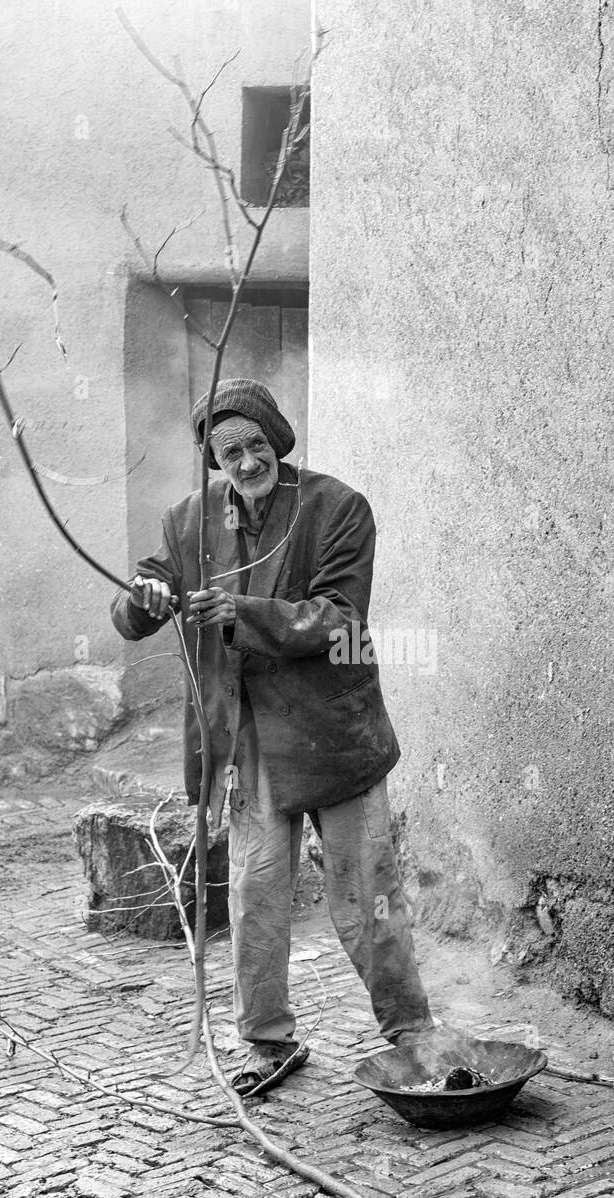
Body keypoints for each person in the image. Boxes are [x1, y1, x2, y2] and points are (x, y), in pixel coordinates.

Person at [111, 378, 434, 1093]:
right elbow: (138, 602)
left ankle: (411, 1032)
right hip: (249, 741)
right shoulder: (189, 521)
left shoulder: (337, 507)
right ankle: (267, 1041)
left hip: (332, 735)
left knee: (365, 892)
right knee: (256, 895)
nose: (247, 461)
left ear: (278, 441)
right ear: (213, 460)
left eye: (258, 444)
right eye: (230, 451)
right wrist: (142, 599)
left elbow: (341, 619)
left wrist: (243, 614)